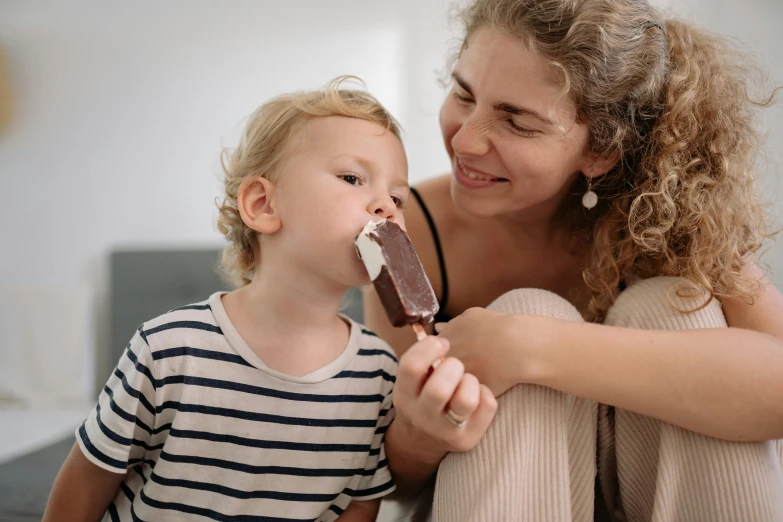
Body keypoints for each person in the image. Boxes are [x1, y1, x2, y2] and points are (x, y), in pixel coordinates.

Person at [364, 1, 783, 520]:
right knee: (529, 310)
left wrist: (525, 344)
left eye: (517, 123)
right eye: (464, 94)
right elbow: (394, 485)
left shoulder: (669, 223)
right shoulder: (411, 232)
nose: (465, 140)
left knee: (672, 305)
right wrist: (421, 430)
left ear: (600, 151)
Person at [42, 77, 496, 522]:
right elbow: (86, 482)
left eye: (397, 196)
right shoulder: (168, 349)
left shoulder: (378, 372)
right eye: (353, 177)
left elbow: (359, 504)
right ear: (263, 204)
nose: (386, 206)